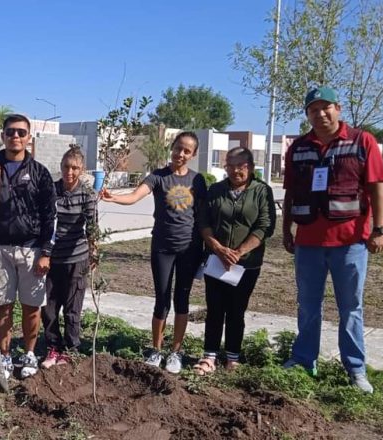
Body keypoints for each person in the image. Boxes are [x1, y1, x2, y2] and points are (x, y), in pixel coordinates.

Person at [281, 87, 383, 394]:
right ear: (308, 115)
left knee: (351, 307)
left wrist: (378, 230)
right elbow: (290, 193)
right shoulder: (298, 147)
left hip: (351, 242)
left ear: (338, 108)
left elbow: (377, 189)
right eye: (313, 110)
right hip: (309, 242)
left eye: (326, 107)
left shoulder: (361, 141)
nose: (320, 114)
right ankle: (303, 360)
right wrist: (287, 228)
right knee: (307, 305)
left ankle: (355, 369)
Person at [100, 131, 206, 374]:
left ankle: (176, 352)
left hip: (189, 249)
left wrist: (207, 248)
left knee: (182, 300)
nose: (181, 153)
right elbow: (136, 196)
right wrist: (113, 197)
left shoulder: (197, 180)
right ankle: (156, 349)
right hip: (162, 248)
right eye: (178, 148)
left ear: (193, 154)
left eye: (187, 151)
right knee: (162, 300)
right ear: (172, 147)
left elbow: (202, 216)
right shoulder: (158, 177)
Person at [0, 114, 56, 380]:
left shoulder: (40, 172)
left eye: (20, 132)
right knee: (2, 304)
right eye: (10, 132)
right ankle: (4, 355)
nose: (15, 137)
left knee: (32, 305)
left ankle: (28, 352)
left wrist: (46, 252)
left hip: (31, 249)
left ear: (28, 137)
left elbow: (51, 215)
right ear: (3, 136)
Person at [194, 147, 276, 375]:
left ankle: (233, 356)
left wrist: (239, 252)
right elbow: (203, 222)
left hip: (246, 264)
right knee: (214, 308)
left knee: (236, 310)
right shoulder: (216, 190)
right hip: (216, 261)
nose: (235, 170)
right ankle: (209, 356)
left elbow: (265, 226)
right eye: (230, 165)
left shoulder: (261, 191)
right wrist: (218, 249)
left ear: (250, 167)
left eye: (241, 166)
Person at [41, 147, 97, 369]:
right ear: (61, 167)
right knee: (49, 307)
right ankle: (53, 348)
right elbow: (43, 222)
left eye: (75, 168)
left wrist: (94, 252)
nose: (70, 172)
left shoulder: (87, 194)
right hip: (51, 259)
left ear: (81, 170)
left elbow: (93, 228)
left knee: (73, 308)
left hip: (77, 259)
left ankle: (71, 350)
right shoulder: (51, 191)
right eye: (66, 167)